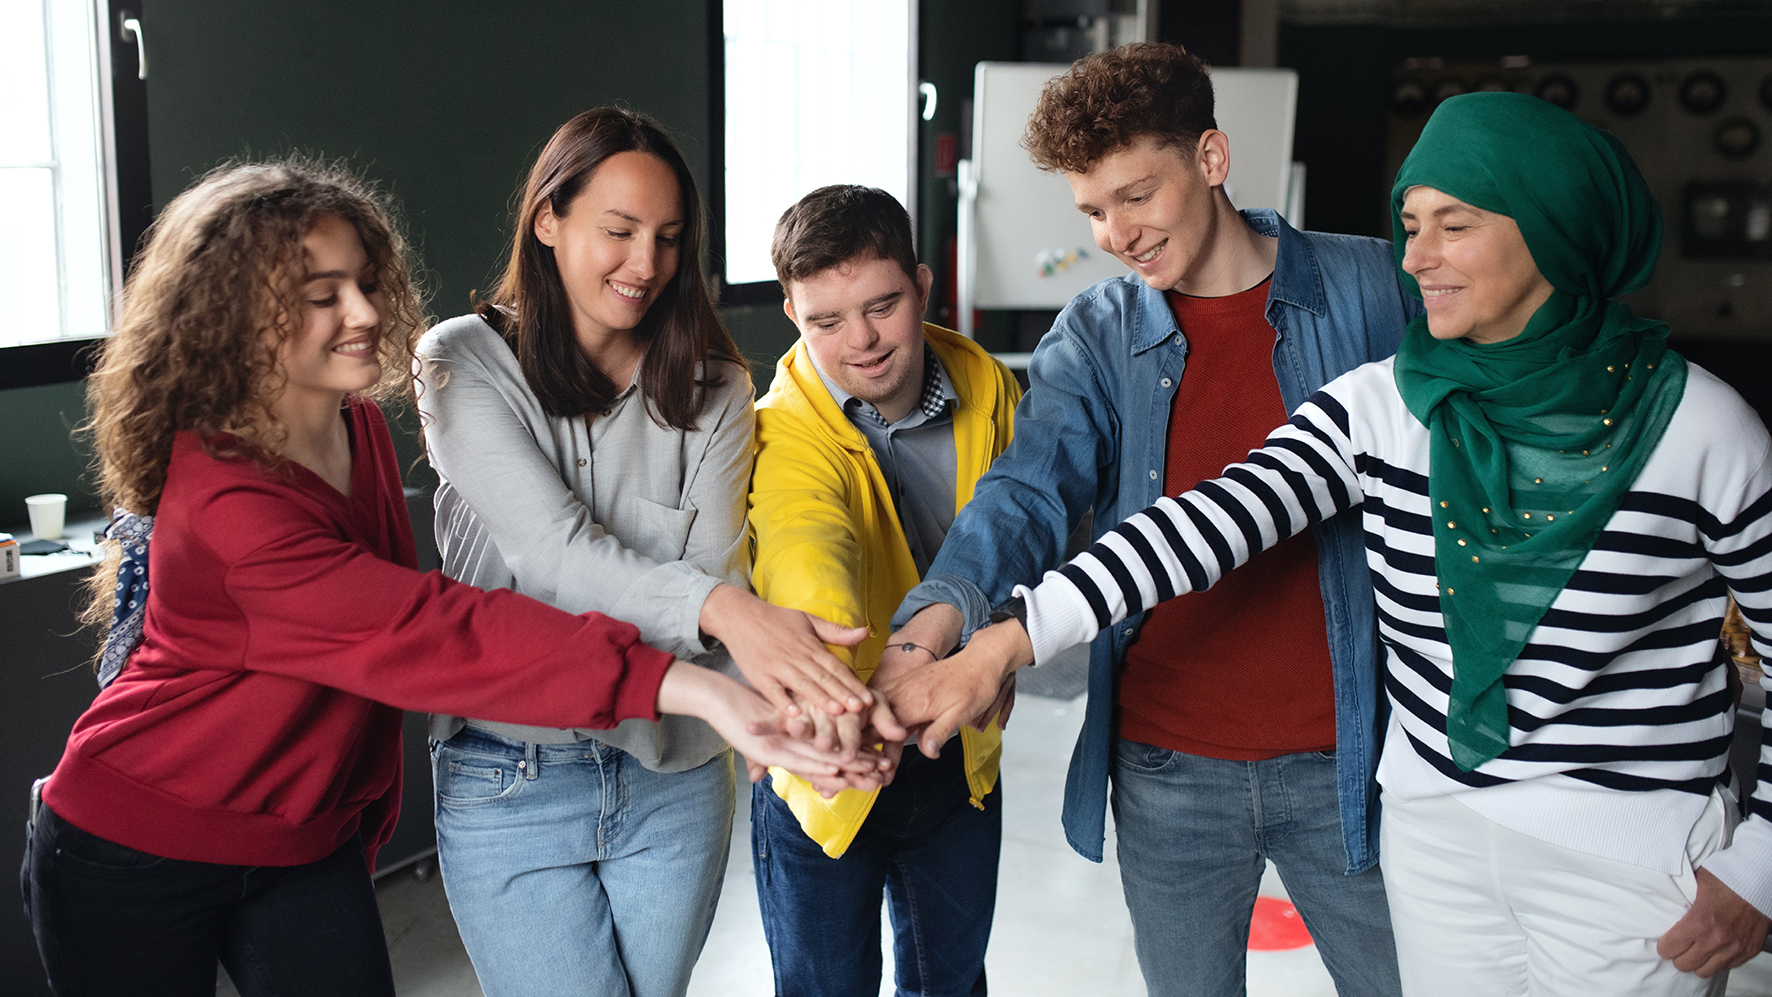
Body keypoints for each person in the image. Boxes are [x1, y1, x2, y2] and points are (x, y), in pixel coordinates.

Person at [888, 90, 1772, 995]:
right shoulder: (1387, 401)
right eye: (1413, 224)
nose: (1419, 258)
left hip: (1589, 847)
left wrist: (1761, 862)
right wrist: (987, 636)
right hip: (1422, 826)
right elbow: (1197, 521)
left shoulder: (1701, 426)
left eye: (1451, 226)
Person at [20, 159, 855, 997]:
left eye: (366, 280)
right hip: (139, 844)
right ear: (233, 316)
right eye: (323, 295)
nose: (366, 311)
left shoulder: (354, 429)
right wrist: (704, 688)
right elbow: (434, 630)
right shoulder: (230, 506)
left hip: (300, 841)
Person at [881, 42, 1414, 996]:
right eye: (1092, 210)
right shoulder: (1098, 331)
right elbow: (1026, 491)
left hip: (1352, 752)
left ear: (1211, 159)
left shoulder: (1374, 289)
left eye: (1137, 196)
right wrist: (933, 627)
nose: (1117, 233)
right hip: (1171, 763)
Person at [414, 109, 889, 997]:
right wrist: (725, 615)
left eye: (669, 239)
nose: (646, 265)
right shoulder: (459, 363)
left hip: (673, 774)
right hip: (510, 773)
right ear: (548, 220)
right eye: (619, 231)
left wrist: (793, 702)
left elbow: (711, 577)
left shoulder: (715, 389)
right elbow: (552, 549)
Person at [746, 185, 1021, 997]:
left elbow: (1020, 534)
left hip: (955, 744)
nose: (860, 341)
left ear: (924, 286)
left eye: (882, 305)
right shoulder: (779, 430)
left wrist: (1001, 641)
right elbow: (806, 549)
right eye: (825, 321)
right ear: (792, 312)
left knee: (953, 983)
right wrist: (832, 699)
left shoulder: (992, 388)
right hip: (829, 759)